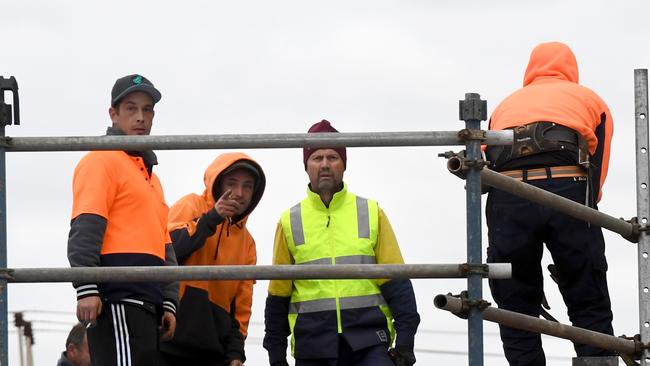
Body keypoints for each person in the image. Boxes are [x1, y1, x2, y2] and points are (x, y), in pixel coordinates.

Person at [485, 42, 616, 365]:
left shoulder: (505, 105)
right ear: (572, 68)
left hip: (509, 195)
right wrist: (584, 216)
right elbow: (597, 169)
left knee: (515, 304)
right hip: (568, 188)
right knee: (587, 295)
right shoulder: (589, 98)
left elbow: (487, 162)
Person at [263, 120, 420, 366]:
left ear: (344, 165)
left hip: (368, 341)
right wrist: (276, 357)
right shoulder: (289, 221)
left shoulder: (371, 212)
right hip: (312, 347)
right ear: (306, 166)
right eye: (317, 157)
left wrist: (405, 341)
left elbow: (397, 282)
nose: (325, 164)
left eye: (332, 157)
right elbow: (278, 297)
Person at [67, 74, 178, 366]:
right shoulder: (101, 159)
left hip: (147, 304)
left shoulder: (151, 178)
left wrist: (169, 301)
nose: (141, 117)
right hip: (117, 298)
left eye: (147, 110)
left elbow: (164, 246)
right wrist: (87, 287)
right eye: (131, 108)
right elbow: (85, 226)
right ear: (113, 114)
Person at [158, 152, 266, 366]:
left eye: (247, 186)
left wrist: (236, 352)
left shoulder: (248, 243)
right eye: (232, 184)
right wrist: (212, 218)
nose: (239, 193)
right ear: (217, 184)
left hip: (213, 352)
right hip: (166, 342)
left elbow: (241, 306)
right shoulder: (190, 204)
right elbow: (167, 250)